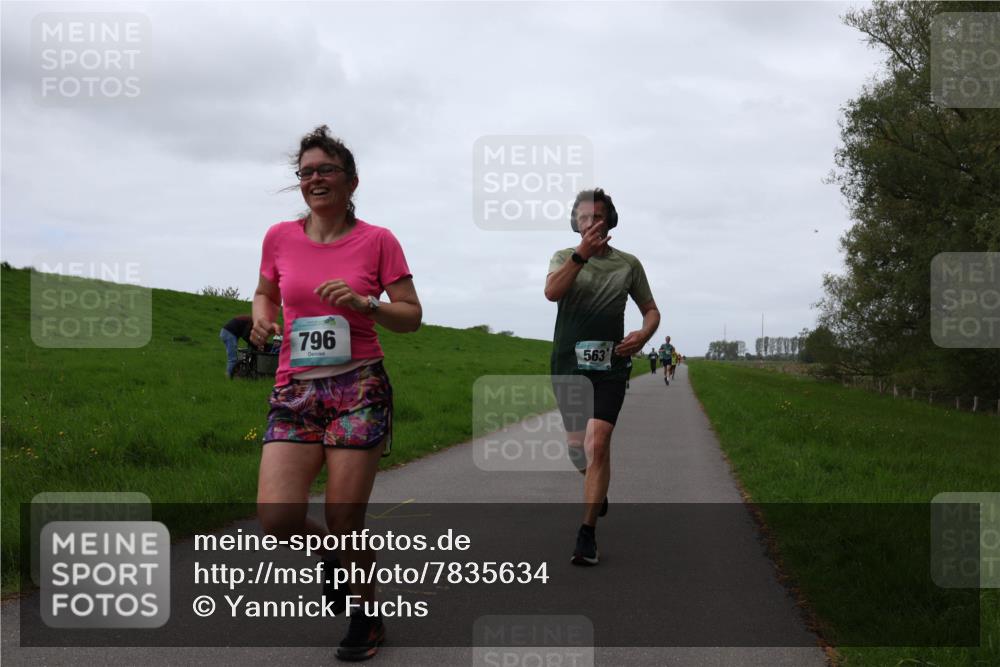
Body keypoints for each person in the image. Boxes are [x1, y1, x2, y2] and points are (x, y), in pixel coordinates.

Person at [253, 126, 422, 661]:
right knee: (277, 518)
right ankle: (337, 558)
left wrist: (365, 302)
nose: (315, 179)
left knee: (344, 519)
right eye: (306, 172)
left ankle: (365, 617)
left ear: (351, 180)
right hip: (295, 390)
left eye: (326, 170)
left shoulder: (378, 240)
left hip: (359, 386)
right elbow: (265, 292)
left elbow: (412, 317)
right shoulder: (279, 236)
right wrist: (262, 321)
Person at [545, 188, 660, 566]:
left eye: (597, 216)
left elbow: (651, 311)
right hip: (568, 365)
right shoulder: (565, 257)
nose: (590, 222)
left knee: (598, 442)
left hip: (610, 365)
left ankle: (587, 533)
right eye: (583, 218)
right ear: (575, 224)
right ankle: (597, 488)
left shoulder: (628, 264)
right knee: (578, 448)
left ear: (610, 221)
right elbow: (551, 292)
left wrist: (643, 335)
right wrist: (581, 256)